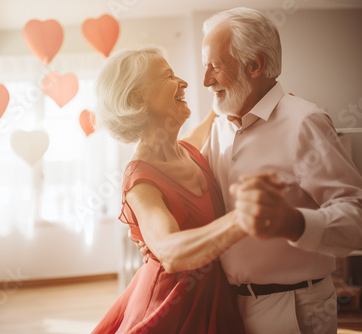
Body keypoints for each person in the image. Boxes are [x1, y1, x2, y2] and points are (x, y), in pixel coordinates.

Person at [197, 7, 362, 334]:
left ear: (254, 65)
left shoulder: (305, 122)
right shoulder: (220, 126)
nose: (206, 80)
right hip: (229, 305)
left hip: (295, 308)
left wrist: (293, 223)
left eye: (214, 66)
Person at [91, 47, 247, 333]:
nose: (184, 83)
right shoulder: (141, 181)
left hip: (214, 298)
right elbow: (170, 251)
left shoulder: (186, 149)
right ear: (138, 98)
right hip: (170, 307)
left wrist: (227, 86)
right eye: (169, 76)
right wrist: (242, 221)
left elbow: (210, 118)